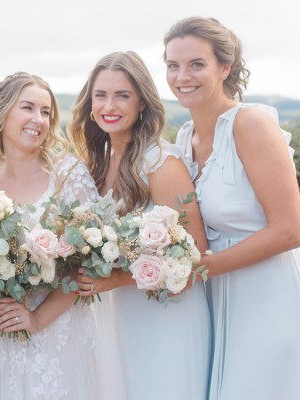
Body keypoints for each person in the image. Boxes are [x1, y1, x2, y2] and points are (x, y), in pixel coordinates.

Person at [164, 16, 300, 399]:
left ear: (225, 68)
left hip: (266, 297)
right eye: (173, 65)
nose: (181, 76)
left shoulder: (251, 123)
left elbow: (291, 229)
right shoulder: (186, 135)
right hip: (214, 301)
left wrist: (196, 270)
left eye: (196, 64)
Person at [69, 51, 211, 400]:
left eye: (122, 95)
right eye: (101, 95)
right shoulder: (97, 163)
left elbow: (196, 256)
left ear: (142, 103)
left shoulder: (161, 163)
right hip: (117, 315)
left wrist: (115, 279)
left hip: (165, 318)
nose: (109, 105)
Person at [0, 72, 113, 400]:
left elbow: (90, 265)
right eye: (28, 108)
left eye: (46, 112)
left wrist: (36, 318)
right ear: (3, 112)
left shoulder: (68, 176)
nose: (39, 120)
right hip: (0, 334)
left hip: (59, 332)